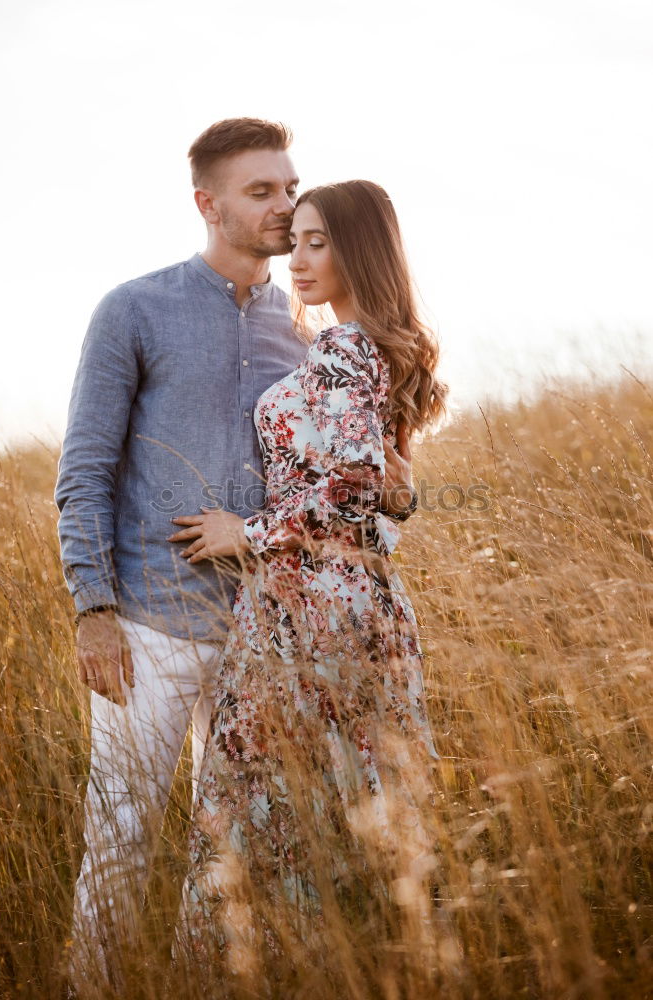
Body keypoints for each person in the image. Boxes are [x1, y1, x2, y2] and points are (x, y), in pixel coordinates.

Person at [54, 120, 416, 995]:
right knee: (121, 842)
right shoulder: (134, 309)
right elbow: (86, 468)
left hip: (272, 637)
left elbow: (367, 480)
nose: (285, 209)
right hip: (151, 628)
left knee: (242, 850)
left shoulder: (309, 328)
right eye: (262, 192)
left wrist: (398, 492)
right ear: (206, 204)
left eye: (291, 190)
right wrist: (93, 610)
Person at [169, 180, 447, 987]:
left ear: (361, 250)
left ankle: (259, 969)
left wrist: (242, 533)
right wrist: (395, 492)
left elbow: (355, 482)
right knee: (340, 791)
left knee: (259, 790)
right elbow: (390, 492)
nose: (300, 257)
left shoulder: (347, 349)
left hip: (309, 602)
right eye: (299, 240)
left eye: (320, 241)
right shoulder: (370, 350)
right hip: (358, 599)